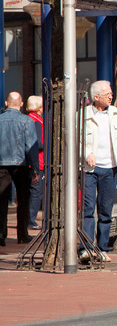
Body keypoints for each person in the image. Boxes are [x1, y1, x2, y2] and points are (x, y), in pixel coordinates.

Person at [81, 81, 117, 262]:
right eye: (107, 94)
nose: (111, 96)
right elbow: (77, 139)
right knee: (87, 210)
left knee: (105, 211)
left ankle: (102, 248)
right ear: (96, 97)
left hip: (109, 169)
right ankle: (85, 248)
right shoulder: (83, 115)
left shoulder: (115, 114)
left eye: (111, 93)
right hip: (89, 169)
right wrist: (86, 153)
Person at [0, 92, 40, 246]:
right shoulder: (26, 121)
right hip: (21, 165)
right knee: (23, 200)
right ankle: (22, 234)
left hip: (2, 164)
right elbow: (31, 146)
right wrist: (35, 169)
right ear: (21, 104)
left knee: (1, 200)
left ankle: (1, 234)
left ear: (6, 103)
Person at [26, 95, 45, 230]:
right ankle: (31, 220)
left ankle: (27, 219)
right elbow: (37, 142)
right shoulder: (37, 121)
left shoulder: (27, 119)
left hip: (26, 160)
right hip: (38, 160)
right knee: (36, 191)